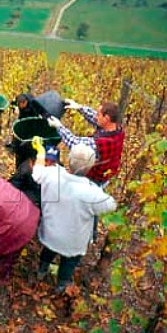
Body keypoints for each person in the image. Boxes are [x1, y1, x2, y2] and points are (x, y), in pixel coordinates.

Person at [31, 137, 117, 293]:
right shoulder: (93, 193)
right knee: (69, 263)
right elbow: (111, 205)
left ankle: (41, 270)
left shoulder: (51, 173)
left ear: (68, 160)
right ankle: (61, 285)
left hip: (50, 234)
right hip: (74, 243)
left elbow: (36, 172)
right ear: (90, 167)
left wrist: (41, 154)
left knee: (48, 251)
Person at [47, 100, 124, 239]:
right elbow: (94, 117)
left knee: (85, 207)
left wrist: (59, 126)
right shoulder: (116, 129)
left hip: (94, 180)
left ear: (107, 118)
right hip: (103, 177)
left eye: (99, 114)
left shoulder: (102, 143)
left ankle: (83, 234)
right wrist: (79, 107)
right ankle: (91, 234)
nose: (96, 117)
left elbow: (75, 144)